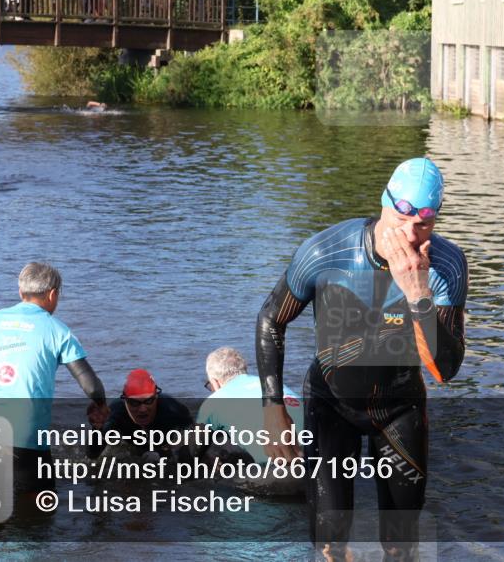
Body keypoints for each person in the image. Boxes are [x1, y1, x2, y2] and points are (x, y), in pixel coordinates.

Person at [256, 158, 468, 561]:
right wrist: (272, 408)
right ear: (384, 201)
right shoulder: (326, 251)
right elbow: (271, 319)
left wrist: (418, 293)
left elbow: (446, 370)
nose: (409, 233)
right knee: (330, 541)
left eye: (423, 223)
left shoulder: (446, 267)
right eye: (401, 216)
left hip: (399, 409)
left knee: (401, 544)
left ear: (435, 221)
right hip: (330, 405)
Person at [0, 262, 108, 495]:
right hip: (26, 435)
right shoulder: (58, 330)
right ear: (53, 294)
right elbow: (91, 386)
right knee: (37, 512)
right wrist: (100, 406)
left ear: (20, 292)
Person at [197, 347, 303, 464]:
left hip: (279, 467)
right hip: (319, 450)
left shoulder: (213, 401)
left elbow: (193, 448)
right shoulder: (274, 386)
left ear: (215, 382)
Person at [86, 368, 193, 459]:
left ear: (156, 397)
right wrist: (97, 429)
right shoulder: (115, 413)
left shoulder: (173, 410)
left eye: (148, 401)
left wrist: (165, 454)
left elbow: (195, 446)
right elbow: (93, 455)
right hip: (136, 447)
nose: (142, 409)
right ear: (125, 400)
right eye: (134, 402)